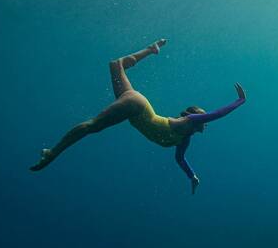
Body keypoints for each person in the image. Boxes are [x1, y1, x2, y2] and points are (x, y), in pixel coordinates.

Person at [29, 39, 246, 194]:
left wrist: (192, 177)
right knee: (93, 126)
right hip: (137, 106)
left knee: (116, 65)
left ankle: (151, 49)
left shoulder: (184, 139)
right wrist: (239, 101)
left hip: (133, 107)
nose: (204, 118)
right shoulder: (188, 122)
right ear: (191, 115)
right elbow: (217, 114)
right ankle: (52, 153)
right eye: (201, 114)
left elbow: (179, 159)